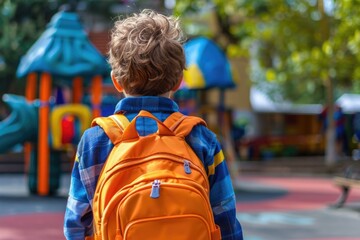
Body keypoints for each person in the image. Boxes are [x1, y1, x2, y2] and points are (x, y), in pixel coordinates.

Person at [63, 9, 243, 240]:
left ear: (116, 81)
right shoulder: (201, 137)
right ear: (179, 82)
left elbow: (76, 221)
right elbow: (225, 215)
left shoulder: (95, 140)